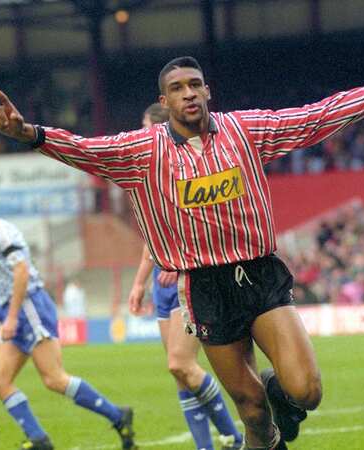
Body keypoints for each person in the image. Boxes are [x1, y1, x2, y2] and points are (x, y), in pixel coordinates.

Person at [0, 37, 364, 450]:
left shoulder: (244, 131)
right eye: (178, 88)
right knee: (250, 411)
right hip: (205, 288)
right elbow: (84, 148)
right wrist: (29, 134)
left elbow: (316, 116)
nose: (188, 93)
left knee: (306, 391)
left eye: (195, 85)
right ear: (163, 99)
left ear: (208, 91)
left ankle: (278, 393)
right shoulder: (142, 153)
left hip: (261, 274)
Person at [0, 182, 137, 450]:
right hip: (18, 307)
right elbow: (1, 276)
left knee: (54, 378)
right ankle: (39, 439)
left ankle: (117, 416)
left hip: (30, 306)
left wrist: (13, 317)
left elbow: (21, 272)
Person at [127, 103, 242, 450]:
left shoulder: (186, 169)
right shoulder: (153, 174)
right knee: (178, 373)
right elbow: (154, 237)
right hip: (163, 281)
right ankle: (205, 447)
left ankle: (234, 438)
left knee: (181, 363)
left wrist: (179, 263)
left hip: (187, 278)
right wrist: (139, 282)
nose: (142, 134)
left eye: (147, 127)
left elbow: (201, 224)